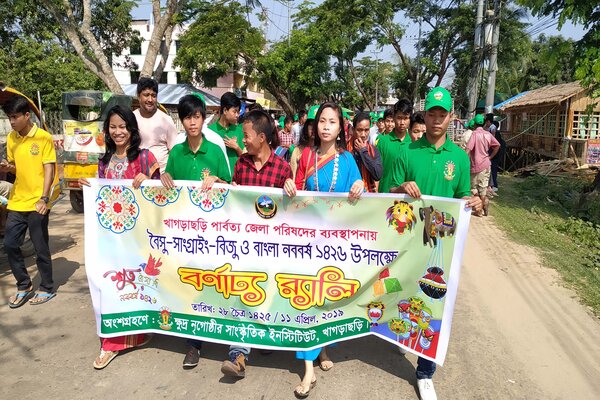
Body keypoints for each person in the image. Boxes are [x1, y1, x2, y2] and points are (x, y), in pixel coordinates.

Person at [389, 87, 482, 400]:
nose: (437, 119)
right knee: (401, 293)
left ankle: (425, 372)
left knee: (434, 303)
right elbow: (387, 194)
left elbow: (462, 199)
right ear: (424, 115)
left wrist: (474, 203)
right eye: (432, 113)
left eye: (443, 114)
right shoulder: (408, 151)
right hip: (407, 241)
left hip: (441, 244)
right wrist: (401, 186)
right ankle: (399, 334)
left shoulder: (458, 158)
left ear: (451, 116)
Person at [283, 102, 364, 398]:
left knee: (327, 297)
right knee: (307, 299)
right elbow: (296, 191)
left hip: (336, 244)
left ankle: (323, 346)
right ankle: (308, 370)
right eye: (321, 121)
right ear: (315, 126)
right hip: (307, 243)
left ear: (341, 127)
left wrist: (358, 188)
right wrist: (290, 184)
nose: (326, 126)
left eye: (332, 121)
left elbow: (360, 189)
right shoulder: (305, 156)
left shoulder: (348, 159)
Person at [79, 105, 160, 369]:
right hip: (111, 241)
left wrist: (148, 179)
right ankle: (110, 343)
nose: (118, 132)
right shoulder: (104, 162)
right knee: (111, 287)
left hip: (139, 240)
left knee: (137, 288)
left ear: (132, 129)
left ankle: (137, 334)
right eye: (113, 127)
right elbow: (102, 196)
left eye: (123, 127)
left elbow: (161, 195)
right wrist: (90, 188)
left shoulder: (146, 158)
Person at [219, 110, 294, 379]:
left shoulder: (283, 169)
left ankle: (263, 336)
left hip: (273, 249)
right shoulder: (241, 165)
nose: (243, 140)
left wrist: (290, 190)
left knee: (268, 294)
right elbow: (232, 200)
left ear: (262, 138)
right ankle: (238, 354)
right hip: (244, 248)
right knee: (244, 294)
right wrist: (221, 186)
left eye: (247, 136)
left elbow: (291, 212)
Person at [159, 94, 232, 369]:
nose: (192, 122)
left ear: (204, 118)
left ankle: (229, 337)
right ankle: (193, 344)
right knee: (191, 285)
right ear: (182, 120)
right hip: (185, 234)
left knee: (218, 282)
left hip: (214, 233)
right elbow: (168, 186)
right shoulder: (176, 152)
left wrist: (219, 179)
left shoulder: (214, 150)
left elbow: (231, 186)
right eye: (187, 117)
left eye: (197, 116)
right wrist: (164, 177)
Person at [1, 95, 59, 308]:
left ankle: (46, 287)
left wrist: (44, 198)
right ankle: (24, 285)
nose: (12, 121)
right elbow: (16, 167)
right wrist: (9, 168)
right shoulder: (11, 138)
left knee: (40, 246)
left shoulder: (43, 137)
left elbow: (49, 168)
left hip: (38, 202)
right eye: (9, 117)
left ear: (27, 115)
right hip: (17, 200)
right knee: (10, 244)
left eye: (15, 117)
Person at [133, 77, 178, 173]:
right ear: (138, 96)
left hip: (161, 179)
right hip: (134, 177)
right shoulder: (130, 119)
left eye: (153, 95)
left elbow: (175, 152)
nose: (150, 99)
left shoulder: (166, 120)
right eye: (146, 95)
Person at [377, 99, 413, 193]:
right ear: (394, 117)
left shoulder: (413, 143)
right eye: (399, 118)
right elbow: (377, 172)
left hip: (407, 198)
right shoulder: (383, 141)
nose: (402, 122)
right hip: (385, 195)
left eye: (405, 118)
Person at [466, 114, 499, 216]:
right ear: (484, 124)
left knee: (473, 188)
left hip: (476, 165)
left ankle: (479, 210)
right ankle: (485, 202)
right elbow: (497, 145)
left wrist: (462, 161)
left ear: (474, 124)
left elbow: (468, 149)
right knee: (483, 188)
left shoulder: (475, 134)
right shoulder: (488, 134)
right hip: (486, 164)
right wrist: (490, 157)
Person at [208, 92, 245, 171]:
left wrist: (237, 147)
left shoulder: (240, 131)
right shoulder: (210, 131)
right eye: (234, 112)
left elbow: (247, 158)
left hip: (236, 180)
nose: (237, 115)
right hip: (217, 181)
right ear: (225, 110)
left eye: (238, 112)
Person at [347, 112, 382, 192]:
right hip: (348, 194)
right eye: (359, 130)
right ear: (353, 129)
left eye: (366, 130)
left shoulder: (373, 150)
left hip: (367, 195)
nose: (363, 134)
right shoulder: (344, 149)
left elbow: (377, 175)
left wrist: (363, 151)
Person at [289, 105, 318, 178]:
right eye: (311, 125)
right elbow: (293, 177)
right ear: (306, 127)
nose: (314, 128)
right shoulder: (297, 151)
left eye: (317, 125)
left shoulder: (327, 152)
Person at [489, 121, 505, 193]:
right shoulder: (499, 137)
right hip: (496, 156)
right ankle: (493, 185)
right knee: (493, 171)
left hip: (495, 156)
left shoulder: (496, 137)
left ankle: (494, 185)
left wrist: (490, 157)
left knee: (493, 171)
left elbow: (497, 146)